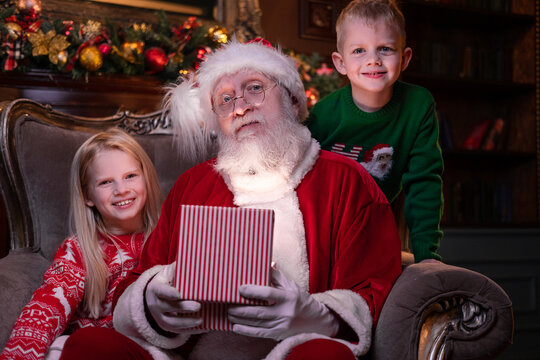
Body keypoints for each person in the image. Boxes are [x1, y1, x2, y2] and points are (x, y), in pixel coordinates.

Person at [60, 39, 402, 360]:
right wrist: (152, 302)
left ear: (294, 100)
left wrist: (311, 315)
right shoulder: (192, 185)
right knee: (90, 344)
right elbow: (141, 279)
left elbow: (371, 291)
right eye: (224, 99)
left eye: (254, 88)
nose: (240, 107)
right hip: (189, 352)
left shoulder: (346, 181)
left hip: (291, 352)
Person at [0, 128, 163, 360]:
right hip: (93, 348)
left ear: (146, 178)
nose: (121, 189)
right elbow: (47, 306)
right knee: (87, 342)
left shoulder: (166, 237)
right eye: (106, 182)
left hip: (146, 349)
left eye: (130, 176)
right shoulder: (79, 250)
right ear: (88, 196)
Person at [307, 0, 444, 262]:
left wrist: (427, 258)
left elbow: (425, 181)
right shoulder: (322, 115)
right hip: (318, 235)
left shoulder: (418, 106)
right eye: (359, 50)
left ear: (404, 58)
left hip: (375, 232)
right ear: (340, 62)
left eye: (385, 48)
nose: (373, 60)